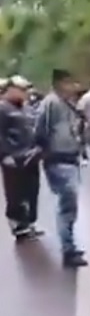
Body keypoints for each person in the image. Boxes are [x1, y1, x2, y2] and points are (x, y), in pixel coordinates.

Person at [34, 69, 87, 268]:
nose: (73, 87)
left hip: (70, 159)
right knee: (67, 202)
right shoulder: (50, 103)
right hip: (58, 160)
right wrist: (46, 150)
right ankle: (68, 249)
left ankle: (70, 244)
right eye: (70, 83)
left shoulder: (67, 104)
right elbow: (39, 129)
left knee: (70, 205)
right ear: (60, 83)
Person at [0, 75, 44, 242]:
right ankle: (18, 226)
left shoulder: (27, 107)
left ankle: (30, 223)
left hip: (30, 157)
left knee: (31, 192)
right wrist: (4, 155)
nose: (26, 93)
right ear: (11, 89)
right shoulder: (3, 108)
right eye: (22, 90)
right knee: (15, 194)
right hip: (13, 158)